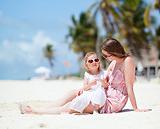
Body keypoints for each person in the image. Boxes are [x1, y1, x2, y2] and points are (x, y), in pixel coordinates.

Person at [19, 38, 149, 114]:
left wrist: (135, 108)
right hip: (104, 94)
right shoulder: (114, 63)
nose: (105, 58)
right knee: (73, 92)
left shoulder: (127, 61)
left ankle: (35, 112)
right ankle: (44, 109)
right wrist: (87, 88)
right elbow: (105, 82)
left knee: (71, 105)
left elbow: (129, 86)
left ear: (113, 52)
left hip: (113, 102)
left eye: (106, 55)